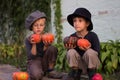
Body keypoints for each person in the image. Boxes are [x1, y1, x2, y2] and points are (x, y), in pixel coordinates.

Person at [63, 8, 101, 80]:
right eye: (75, 21)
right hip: (79, 66)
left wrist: (88, 49)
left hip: (90, 65)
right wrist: (69, 48)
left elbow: (97, 52)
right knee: (71, 52)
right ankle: (75, 74)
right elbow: (71, 55)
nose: (76, 23)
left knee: (90, 52)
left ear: (87, 23)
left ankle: (92, 75)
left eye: (80, 21)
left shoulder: (93, 36)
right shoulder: (72, 37)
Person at [25, 10, 60, 80]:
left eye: (41, 25)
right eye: (36, 25)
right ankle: (35, 71)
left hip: (44, 60)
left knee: (52, 48)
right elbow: (32, 56)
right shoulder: (28, 39)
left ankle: (50, 70)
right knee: (36, 76)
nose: (38, 27)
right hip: (34, 61)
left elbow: (48, 53)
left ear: (44, 26)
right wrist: (34, 44)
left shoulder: (46, 36)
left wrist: (46, 46)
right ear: (32, 27)